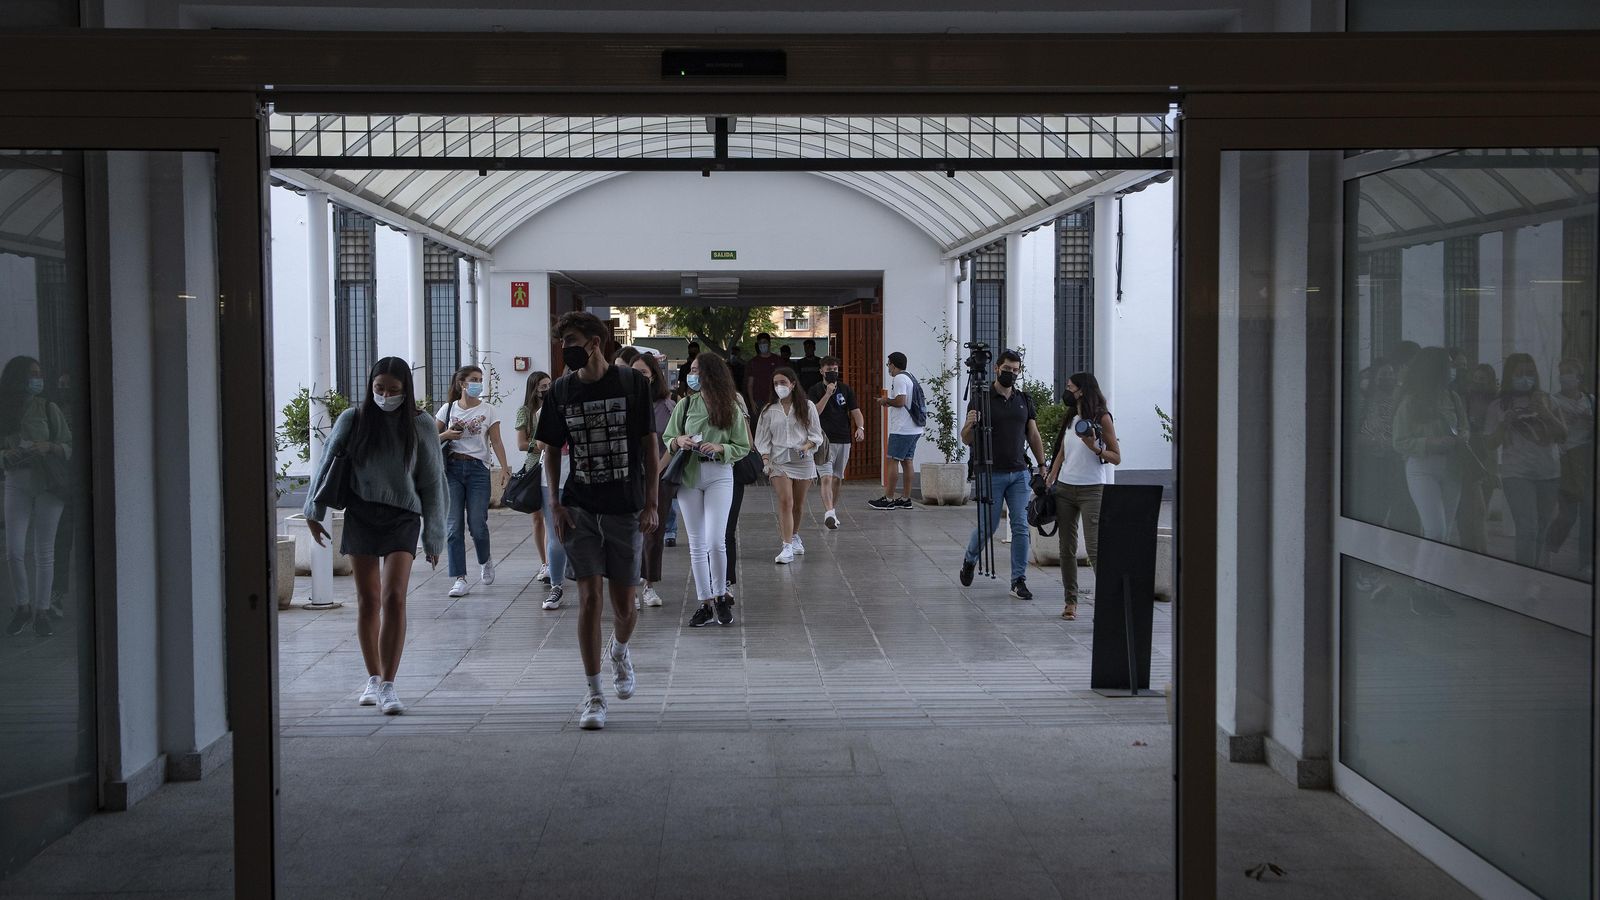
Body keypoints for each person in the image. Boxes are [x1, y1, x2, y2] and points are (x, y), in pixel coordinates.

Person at [535, 311, 660, 731]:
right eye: (561, 342)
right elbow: (552, 448)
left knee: (625, 607)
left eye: (571, 339)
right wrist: (554, 502)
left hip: (625, 507)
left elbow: (649, 448)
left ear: (594, 341)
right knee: (589, 599)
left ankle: (620, 652)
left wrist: (651, 504)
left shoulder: (632, 385)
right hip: (580, 508)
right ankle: (594, 694)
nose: (565, 349)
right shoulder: (562, 391)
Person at [303, 357, 446, 715]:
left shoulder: (421, 424)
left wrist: (435, 535)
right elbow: (326, 464)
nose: (385, 396)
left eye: (394, 391)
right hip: (361, 513)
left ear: (406, 391)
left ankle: (389, 685)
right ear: (370, 386)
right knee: (368, 600)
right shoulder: (353, 419)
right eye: (379, 388)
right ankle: (372, 676)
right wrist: (313, 511)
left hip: (403, 516)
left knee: (394, 597)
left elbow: (432, 481)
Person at [664, 352, 750, 627]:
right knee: (697, 544)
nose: (692, 374)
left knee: (716, 540)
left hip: (719, 475)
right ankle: (706, 602)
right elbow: (668, 438)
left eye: (697, 370)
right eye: (691, 370)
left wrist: (721, 448)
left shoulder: (731, 406)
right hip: (689, 475)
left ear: (711, 374)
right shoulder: (685, 404)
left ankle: (721, 595)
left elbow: (743, 446)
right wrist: (679, 440)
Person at [956, 350, 1048, 601]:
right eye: (1007, 369)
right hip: (990, 472)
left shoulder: (1024, 400)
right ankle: (970, 559)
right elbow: (966, 439)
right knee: (988, 526)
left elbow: (1033, 435)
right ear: (997, 368)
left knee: (1020, 525)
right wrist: (969, 425)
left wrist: (1042, 466)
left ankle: (1018, 580)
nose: (1011, 373)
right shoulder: (981, 399)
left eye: (1016, 370)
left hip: (1018, 473)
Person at [2, 356, 71, 638]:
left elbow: (68, 444)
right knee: (14, 550)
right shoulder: (6, 410)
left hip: (48, 482)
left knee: (45, 551)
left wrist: (49, 446)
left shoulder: (48, 407)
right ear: (18, 377)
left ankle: (41, 611)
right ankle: (22, 605)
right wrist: (6, 454)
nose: (37, 378)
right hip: (16, 479)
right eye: (32, 373)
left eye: (39, 373)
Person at [1045, 371, 1121, 619]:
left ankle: (1110, 602)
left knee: (1095, 548)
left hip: (1092, 490)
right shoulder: (1071, 417)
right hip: (1065, 489)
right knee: (1066, 548)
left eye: (1070, 387)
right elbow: (1063, 452)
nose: (1066, 391)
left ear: (1082, 390)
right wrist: (1051, 478)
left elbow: (1116, 457)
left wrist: (1095, 447)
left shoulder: (1102, 418)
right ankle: (1070, 602)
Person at [1485, 353, 1567, 569]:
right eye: (1519, 373)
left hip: (1549, 473)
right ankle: (1524, 577)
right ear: (1510, 375)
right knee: (1527, 528)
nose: (1525, 378)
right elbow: (1490, 443)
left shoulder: (1548, 400)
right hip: (1516, 474)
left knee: (1541, 528)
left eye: (1530, 373)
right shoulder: (1497, 406)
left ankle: (1535, 575)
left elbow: (1563, 434)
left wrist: (1546, 413)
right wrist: (1504, 424)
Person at [436, 365, 510, 598]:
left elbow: (496, 441)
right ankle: (459, 578)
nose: (478, 383)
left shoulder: (489, 410)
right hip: (452, 469)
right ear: (462, 383)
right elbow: (429, 438)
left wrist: (505, 468)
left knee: (478, 525)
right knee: (453, 527)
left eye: (480, 379)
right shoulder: (447, 409)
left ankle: (485, 559)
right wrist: (446, 435)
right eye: (473, 379)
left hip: (478, 470)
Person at [1391, 347, 1469, 544]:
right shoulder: (1410, 401)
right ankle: (1422, 575)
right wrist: (1430, 443)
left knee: (1446, 534)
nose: (1453, 369)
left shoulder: (1453, 397)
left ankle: (1434, 572)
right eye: (1449, 365)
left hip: (1453, 467)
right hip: (1422, 467)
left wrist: (1462, 437)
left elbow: (1465, 427)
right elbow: (1399, 441)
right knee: (1435, 532)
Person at [756, 367, 824, 564]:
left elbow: (815, 435)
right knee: (786, 501)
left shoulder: (807, 406)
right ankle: (786, 546)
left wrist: (806, 446)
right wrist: (766, 460)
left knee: (798, 504)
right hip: (778, 461)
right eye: (776, 383)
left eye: (783, 382)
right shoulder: (769, 410)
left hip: (802, 460)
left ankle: (794, 536)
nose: (779, 387)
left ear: (793, 384)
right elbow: (763, 438)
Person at [1546, 359, 1594, 576]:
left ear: (1579, 378)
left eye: (1569, 372)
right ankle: (1548, 548)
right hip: (1564, 460)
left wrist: (1589, 419)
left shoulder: (1590, 401)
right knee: (1568, 516)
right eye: (1561, 372)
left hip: (1586, 460)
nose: (1564, 376)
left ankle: (1586, 563)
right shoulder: (1552, 401)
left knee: (1589, 515)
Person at [808, 355, 864, 530]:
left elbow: (855, 411)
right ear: (821, 371)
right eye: (829, 369)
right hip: (824, 439)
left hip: (844, 438)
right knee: (826, 477)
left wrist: (860, 427)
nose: (832, 372)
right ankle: (829, 512)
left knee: (837, 478)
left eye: (835, 369)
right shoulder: (815, 389)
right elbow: (814, 412)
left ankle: (832, 511)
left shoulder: (846, 389)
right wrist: (828, 393)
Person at [635, 351, 673, 608]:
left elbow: (672, 444)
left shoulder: (666, 406)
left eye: (644, 374)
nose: (639, 378)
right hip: (628, 478)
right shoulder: (624, 402)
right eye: (634, 373)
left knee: (653, 534)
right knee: (628, 534)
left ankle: (648, 585)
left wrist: (655, 472)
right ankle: (628, 586)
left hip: (659, 477)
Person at [513, 371, 554, 583]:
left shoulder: (555, 407)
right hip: (533, 469)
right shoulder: (525, 411)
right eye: (542, 385)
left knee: (550, 518)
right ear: (534, 387)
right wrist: (539, 443)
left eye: (549, 384)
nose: (546, 388)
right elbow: (521, 444)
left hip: (551, 465)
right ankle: (544, 562)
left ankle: (552, 563)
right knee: (537, 518)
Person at [870, 351, 924, 510]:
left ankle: (888, 499)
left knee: (892, 460)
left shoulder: (899, 378)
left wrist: (885, 400)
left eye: (888, 364)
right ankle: (906, 498)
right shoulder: (910, 376)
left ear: (893, 364)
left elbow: (900, 401)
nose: (888, 367)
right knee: (907, 462)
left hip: (902, 428)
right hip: (914, 427)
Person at [1457, 363, 1501, 554]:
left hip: (1488, 452)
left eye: (1483, 378)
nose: (1478, 382)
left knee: (1483, 503)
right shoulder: (1464, 398)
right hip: (1468, 451)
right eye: (1476, 378)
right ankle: (1471, 547)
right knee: (1471, 506)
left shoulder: (1497, 401)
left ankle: (1476, 549)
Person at [745, 332, 782, 408]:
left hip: (775, 399)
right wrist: (752, 402)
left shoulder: (778, 360)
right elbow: (750, 384)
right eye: (760, 343)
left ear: (769, 343)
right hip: (758, 401)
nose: (762, 345)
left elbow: (782, 380)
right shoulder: (753, 362)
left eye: (764, 342)